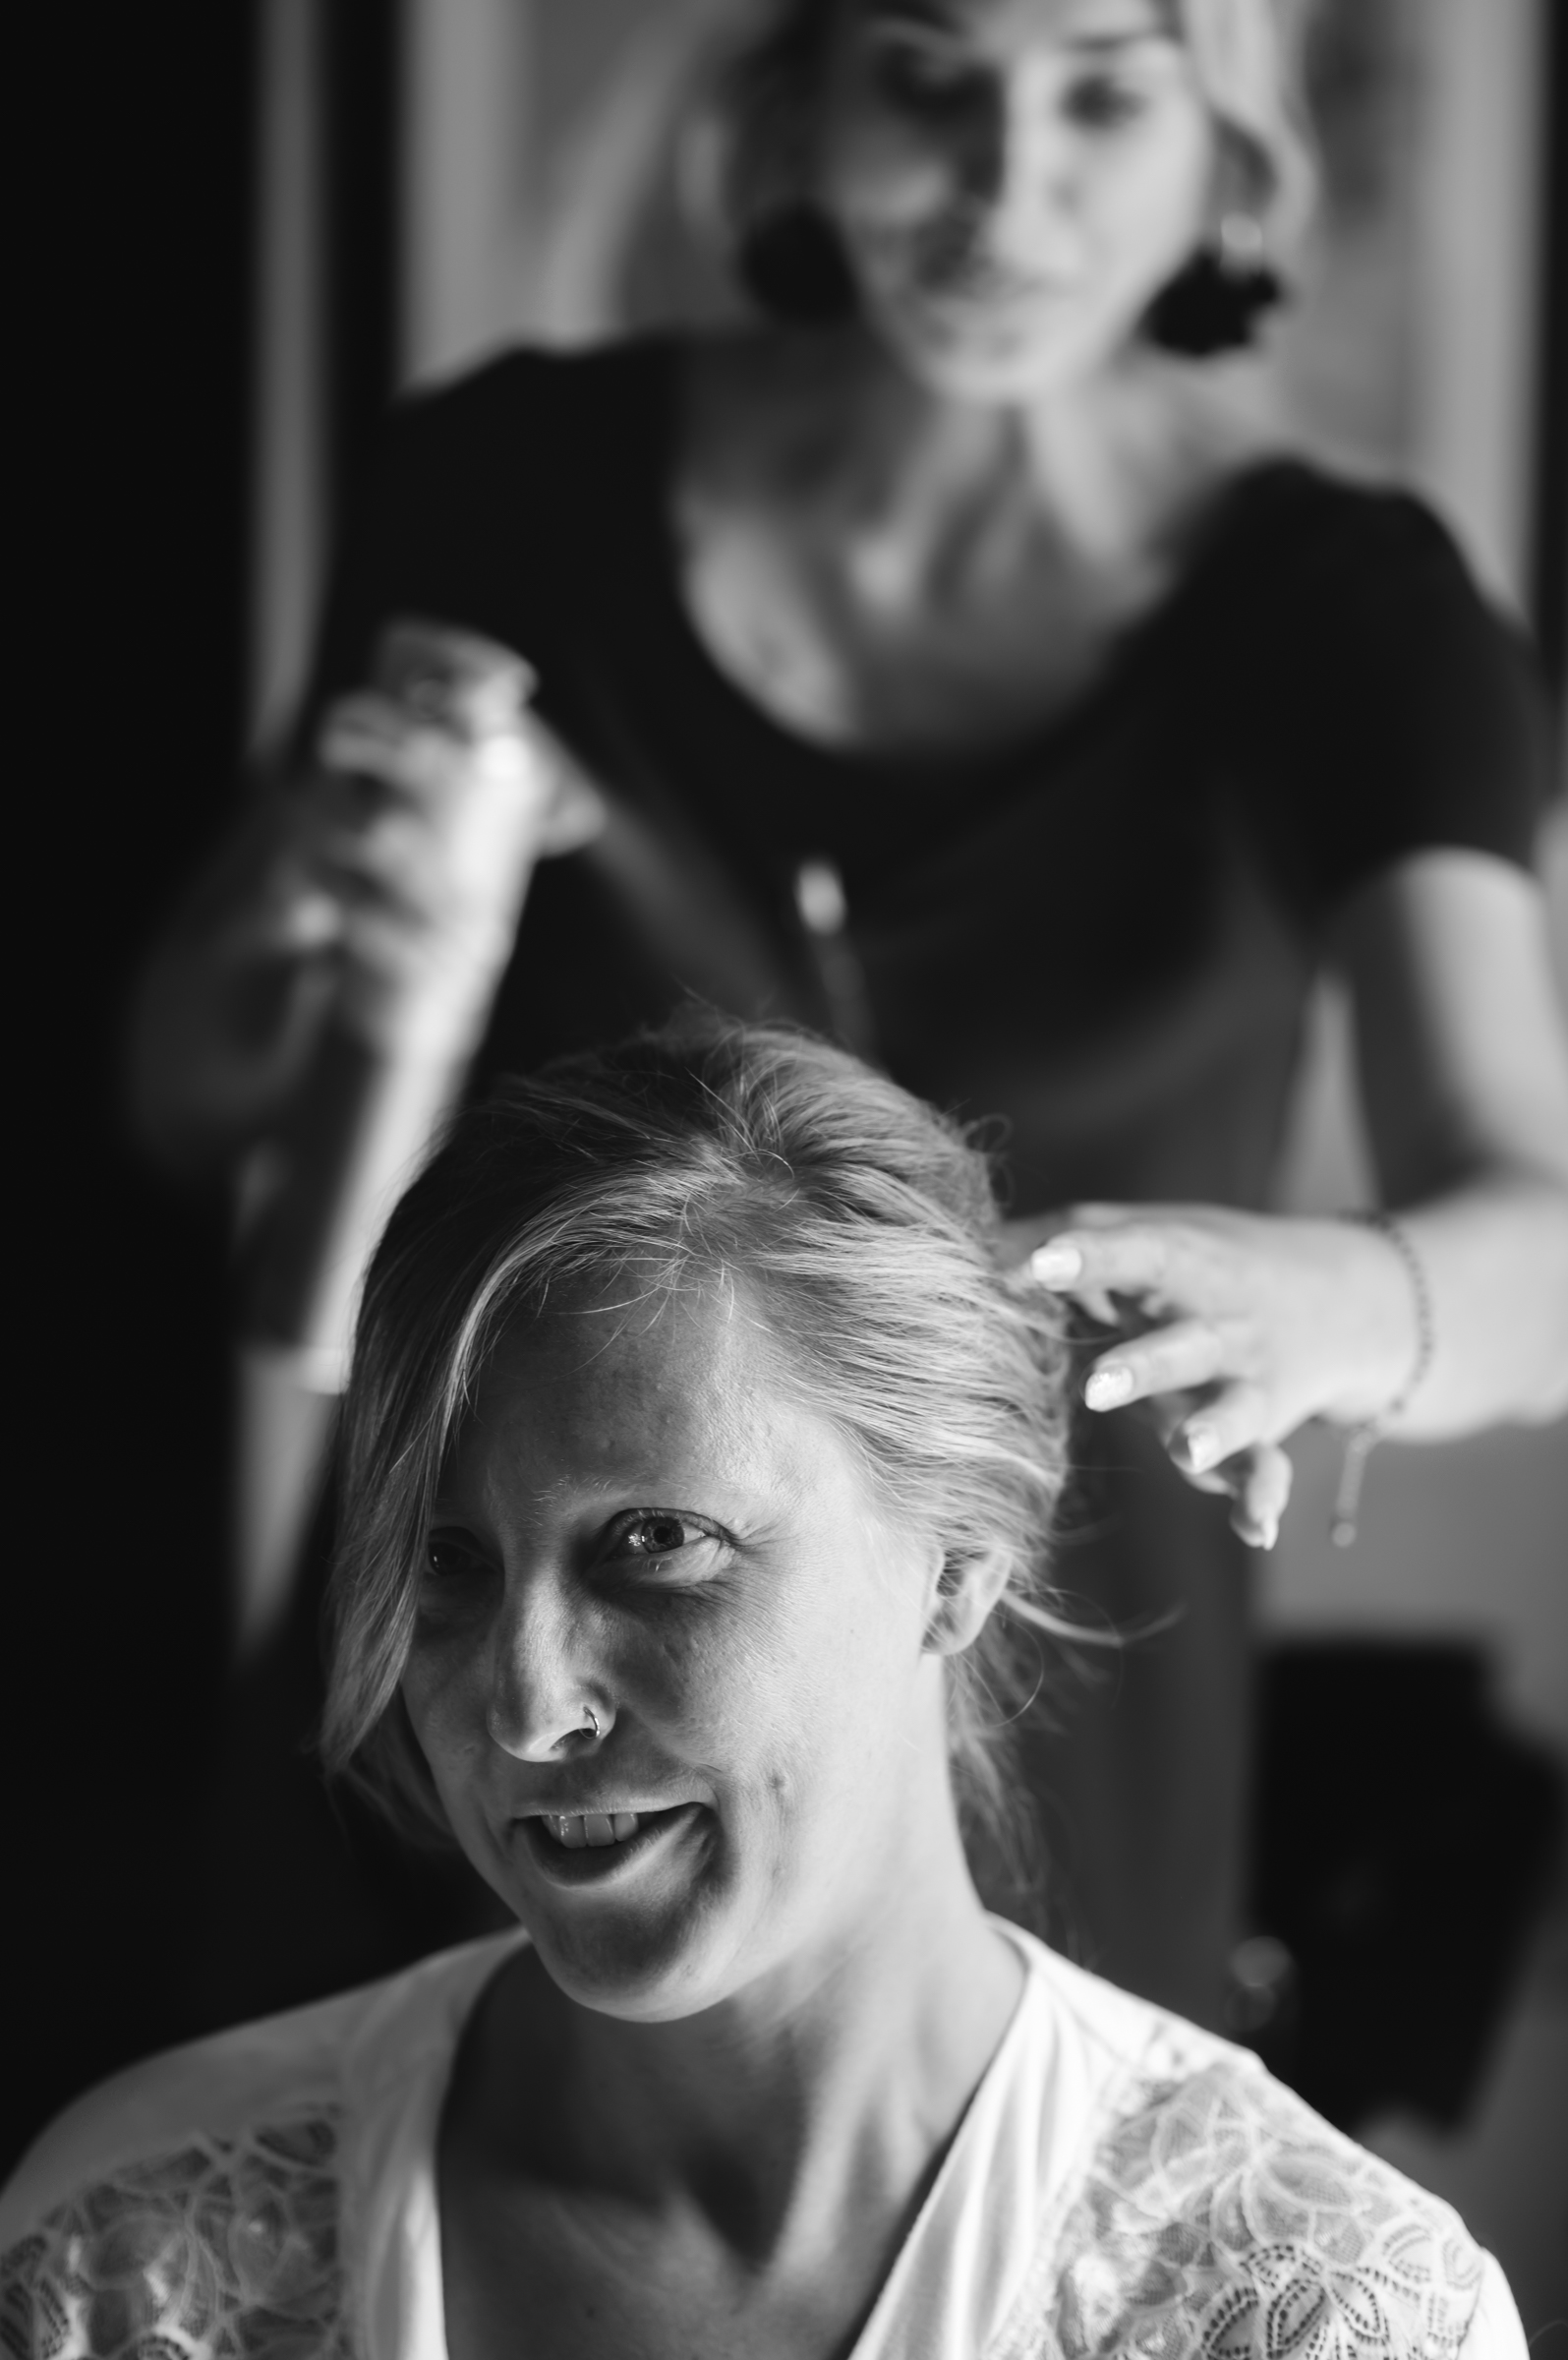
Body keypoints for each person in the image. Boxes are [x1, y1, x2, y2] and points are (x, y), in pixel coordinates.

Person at [130, 0, 1568, 2022]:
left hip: (1025, 1762)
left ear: (1228, 145)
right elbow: (197, 1099)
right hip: (484, 1699)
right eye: (928, 79)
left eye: (1103, 91)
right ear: (802, 101)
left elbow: (1539, 1249)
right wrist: (300, 888)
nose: (1005, 185)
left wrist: (1328, 1299)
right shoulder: (510, 483)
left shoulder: (1356, 623)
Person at [0, 1018, 1529, 2360]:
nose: (523, 1710)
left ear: (957, 1564)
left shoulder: (1314, 2311)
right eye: (446, 1561)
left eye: (657, 1544)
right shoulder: (132, 2253)